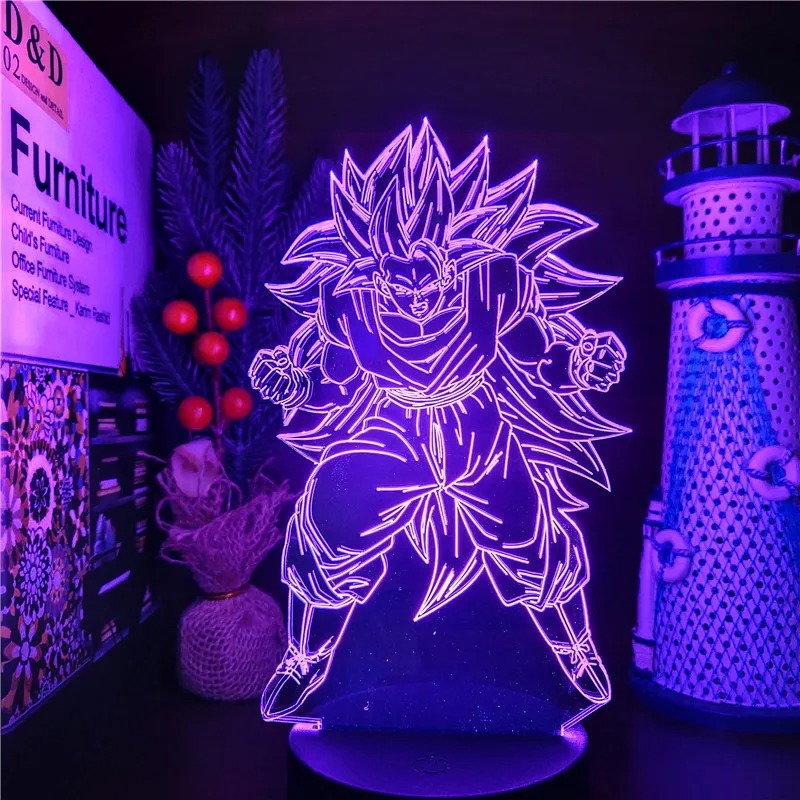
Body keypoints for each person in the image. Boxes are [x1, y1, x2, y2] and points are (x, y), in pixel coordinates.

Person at [250, 121, 627, 725]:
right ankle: (305, 660)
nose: (414, 289)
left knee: (535, 541)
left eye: (427, 269)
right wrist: (289, 381)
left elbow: (542, 351)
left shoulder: (493, 282)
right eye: (396, 272)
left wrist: (581, 362)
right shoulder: (350, 301)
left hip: (477, 428)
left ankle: (575, 655)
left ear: (452, 249)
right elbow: (325, 377)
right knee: (326, 528)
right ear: (374, 259)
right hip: (389, 430)